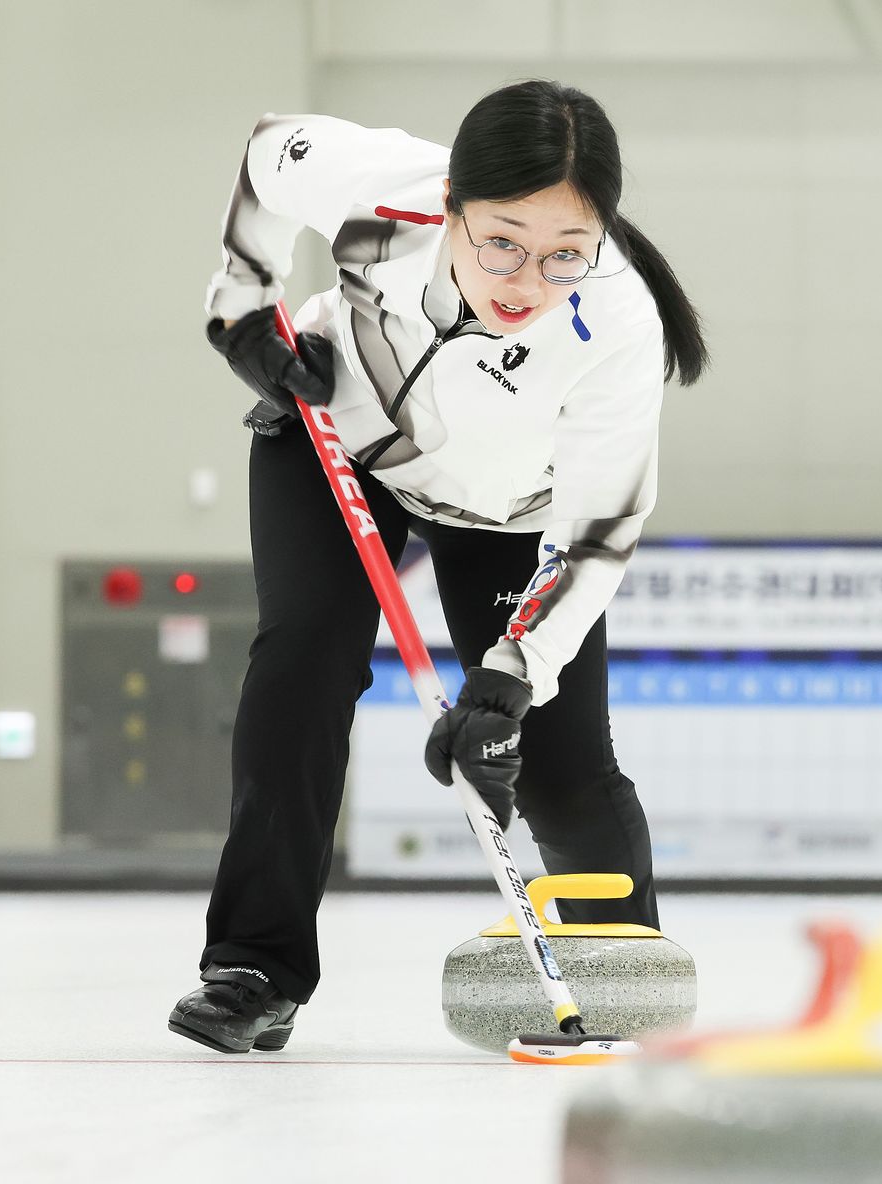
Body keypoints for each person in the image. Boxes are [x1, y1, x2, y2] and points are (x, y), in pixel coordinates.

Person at [169, 81, 707, 1053]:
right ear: (451, 199)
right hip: (337, 437)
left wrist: (508, 677)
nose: (524, 278)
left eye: (562, 255)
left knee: (556, 762)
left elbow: (597, 531)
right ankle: (254, 966)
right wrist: (241, 308)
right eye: (499, 239)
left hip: (508, 512)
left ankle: (618, 976)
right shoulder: (387, 193)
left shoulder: (618, 324)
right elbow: (267, 151)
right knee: (303, 662)